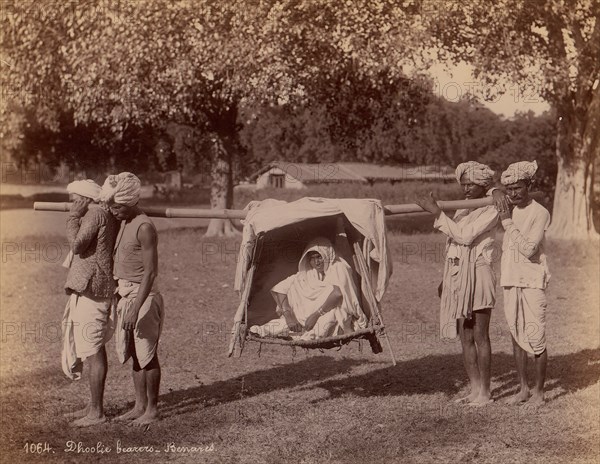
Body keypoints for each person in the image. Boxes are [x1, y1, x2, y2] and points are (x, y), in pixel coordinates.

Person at [416, 161, 508, 406]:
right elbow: (453, 244)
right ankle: (475, 389)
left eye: (472, 184)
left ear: (483, 185)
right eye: (464, 184)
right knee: (465, 336)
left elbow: (465, 237)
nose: (467, 189)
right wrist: (446, 278)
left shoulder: (492, 207)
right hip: (459, 274)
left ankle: (486, 393)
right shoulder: (463, 209)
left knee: (480, 335)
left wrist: (437, 213)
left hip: (479, 273)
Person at [100, 172, 164, 425]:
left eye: (116, 207)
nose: (112, 212)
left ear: (129, 203)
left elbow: (151, 272)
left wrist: (136, 308)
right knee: (135, 353)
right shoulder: (124, 220)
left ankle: (153, 409)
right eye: (111, 207)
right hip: (126, 294)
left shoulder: (145, 227)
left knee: (148, 354)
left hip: (143, 295)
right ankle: (139, 405)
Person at [61, 179, 119, 427]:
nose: (73, 204)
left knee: (93, 349)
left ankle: (96, 412)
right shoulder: (101, 212)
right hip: (93, 286)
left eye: (75, 200)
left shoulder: (95, 213)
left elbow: (76, 245)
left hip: (92, 287)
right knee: (90, 347)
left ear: (85, 199)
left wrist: (73, 218)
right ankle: (92, 405)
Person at [498, 160, 551, 408]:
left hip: (531, 280)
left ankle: (539, 393)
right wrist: (498, 195)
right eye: (509, 189)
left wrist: (507, 222)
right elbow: (488, 191)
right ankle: (523, 388)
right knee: (516, 333)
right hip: (510, 279)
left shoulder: (539, 212)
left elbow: (530, 248)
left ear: (529, 185)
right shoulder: (507, 206)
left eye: (518, 188)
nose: (513, 193)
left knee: (535, 334)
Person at [250, 236, 367, 340]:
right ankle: (262, 330)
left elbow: (337, 294)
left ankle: (307, 336)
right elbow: (281, 288)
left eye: (319, 257)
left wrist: (316, 315)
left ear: (327, 254)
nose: (316, 262)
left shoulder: (338, 267)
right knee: (286, 322)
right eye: (312, 258)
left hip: (333, 314)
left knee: (325, 321)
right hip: (306, 317)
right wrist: (288, 315)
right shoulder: (310, 273)